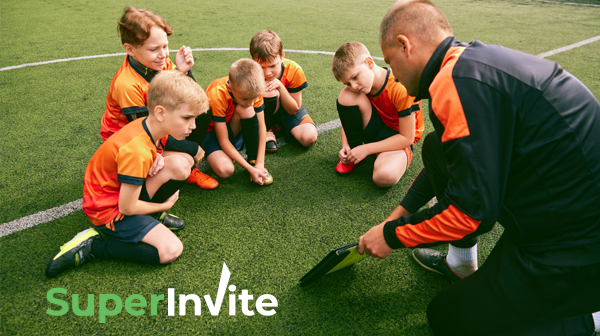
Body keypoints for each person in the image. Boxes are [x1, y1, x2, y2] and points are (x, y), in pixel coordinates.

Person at [358, 0, 600, 335]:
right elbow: (453, 165)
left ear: (405, 44)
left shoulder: (454, 82)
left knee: (450, 318)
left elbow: (471, 213)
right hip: (554, 213)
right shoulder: (468, 64)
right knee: (435, 148)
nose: (393, 74)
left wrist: (392, 236)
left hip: (573, 249)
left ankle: (590, 316)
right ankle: (460, 263)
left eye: (391, 62)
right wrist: (395, 217)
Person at [45, 70, 209, 277]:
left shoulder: (152, 128)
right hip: (108, 211)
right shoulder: (137, 151)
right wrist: (164, 205)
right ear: (160, 113)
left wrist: (157, 156)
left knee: (181, 163)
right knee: (170, 250)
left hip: (118, 194)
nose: (193, 126)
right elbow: (127, 206)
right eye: (187, 118)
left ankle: (151, 216)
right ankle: (96, 245)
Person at [101, 6, 218, 190]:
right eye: (154, 49)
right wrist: (191, 148)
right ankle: (141, 192)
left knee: (201, 113)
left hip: (154, 126)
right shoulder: (128, 84)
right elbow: (144, 133)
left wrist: (183, 72)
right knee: (184, 160)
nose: (163, 54)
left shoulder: (162, 64)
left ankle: (180, 168)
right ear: (130, 50)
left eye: (165, 46)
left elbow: (191, 100)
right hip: (127, 141)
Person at [331, 42, 423, 187]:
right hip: (375, 128)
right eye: (347, 83)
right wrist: (346, 145)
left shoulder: (400, 86)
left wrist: (367, 149)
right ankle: (354, 156)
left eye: (355, 77)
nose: (353, 86)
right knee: (346, 96)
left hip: (398, 137)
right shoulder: (361, 88)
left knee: (384, 176)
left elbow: (407, 137)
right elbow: (348, 119)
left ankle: (374, 153)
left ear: (369, 63)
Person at [202, 59, 273, 186]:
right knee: (226, 170)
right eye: (245, 98)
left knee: (247, 109)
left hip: (230, 125)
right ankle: (233, 151)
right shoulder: (217, 93)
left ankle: (253, 158)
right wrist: (250, 169)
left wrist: (259, 164)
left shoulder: (253, 91)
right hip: (211, 132)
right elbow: (223, 140)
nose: (251, 102)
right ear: (229, 87)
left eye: (254, 98)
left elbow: (262, 126)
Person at [249, 30, 318, 152]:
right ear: (254, 61)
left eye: (272, 66)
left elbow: (293, 109)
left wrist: (280, 86)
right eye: (262, 67)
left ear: (282, 56)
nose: (267, 72)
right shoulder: (250, 72)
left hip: (288, 109)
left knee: (309, 137)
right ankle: (266, 130)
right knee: (269, 91)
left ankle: (281, 125)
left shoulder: (294, 70)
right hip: (261, 112)